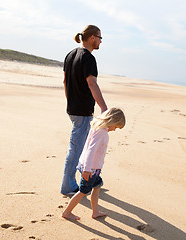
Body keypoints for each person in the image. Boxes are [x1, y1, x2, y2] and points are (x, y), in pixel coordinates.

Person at [61, 25, 108, 196]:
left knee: (81, 146)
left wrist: (70, 101)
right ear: (92, 38)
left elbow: (65, 82)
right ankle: (68, 186)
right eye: (100, 38)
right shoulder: (88, 58)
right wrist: (103, 107)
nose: (101, 41)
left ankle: (84, 179)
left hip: (73, 108)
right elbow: (92, 83)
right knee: (77, 147)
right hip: (81, 111)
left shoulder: (70, 54)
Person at [62, 108, 126, 221]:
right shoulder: (102, 133)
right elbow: (91, 151)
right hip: (89, 168)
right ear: (111, 121)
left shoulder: (97, 128)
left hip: (92, 168)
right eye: (115, 127)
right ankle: (67, 212)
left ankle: (95, 212)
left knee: (97, 186)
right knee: (83, 192)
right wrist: (87, 169)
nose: (114, 130)